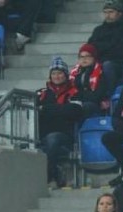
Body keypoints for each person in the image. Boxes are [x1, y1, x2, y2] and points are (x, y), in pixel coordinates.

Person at [37, 57, 83, 189]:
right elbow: (35, 112)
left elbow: (75, 111)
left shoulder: (74, 92)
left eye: (60, 73)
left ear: (66, 75)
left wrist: (47, 109)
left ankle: (50, 178)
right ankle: (56, 174)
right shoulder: (42, 93)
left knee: (53, 139)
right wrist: (61, 109)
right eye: (54, 73)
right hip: (43, 134)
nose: (56, 76)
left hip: (65, 135)